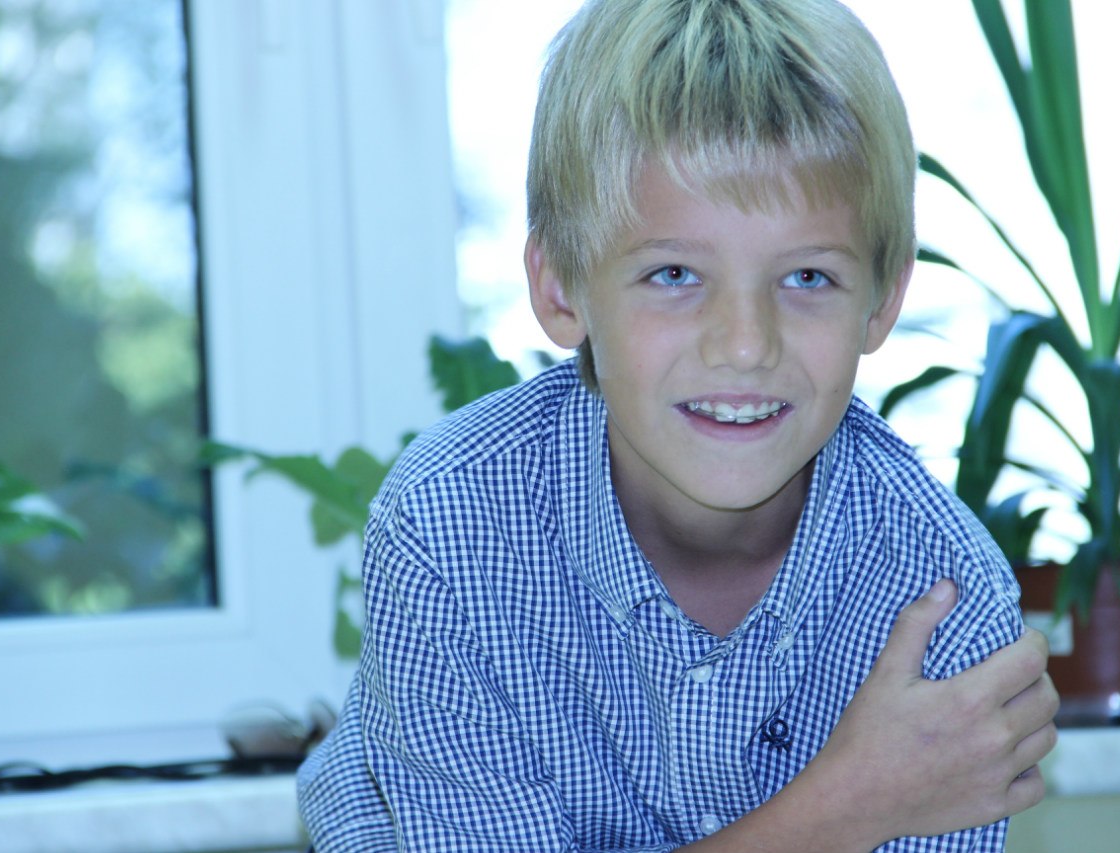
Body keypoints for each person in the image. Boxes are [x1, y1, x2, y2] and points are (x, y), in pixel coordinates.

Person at [297, 0, 1059, 849]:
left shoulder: (943, 603)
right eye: (673, 274)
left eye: (807, 277)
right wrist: (847, 805)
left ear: (881, 302)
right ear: (560, 289)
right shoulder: (451, 526)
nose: (745, 344)